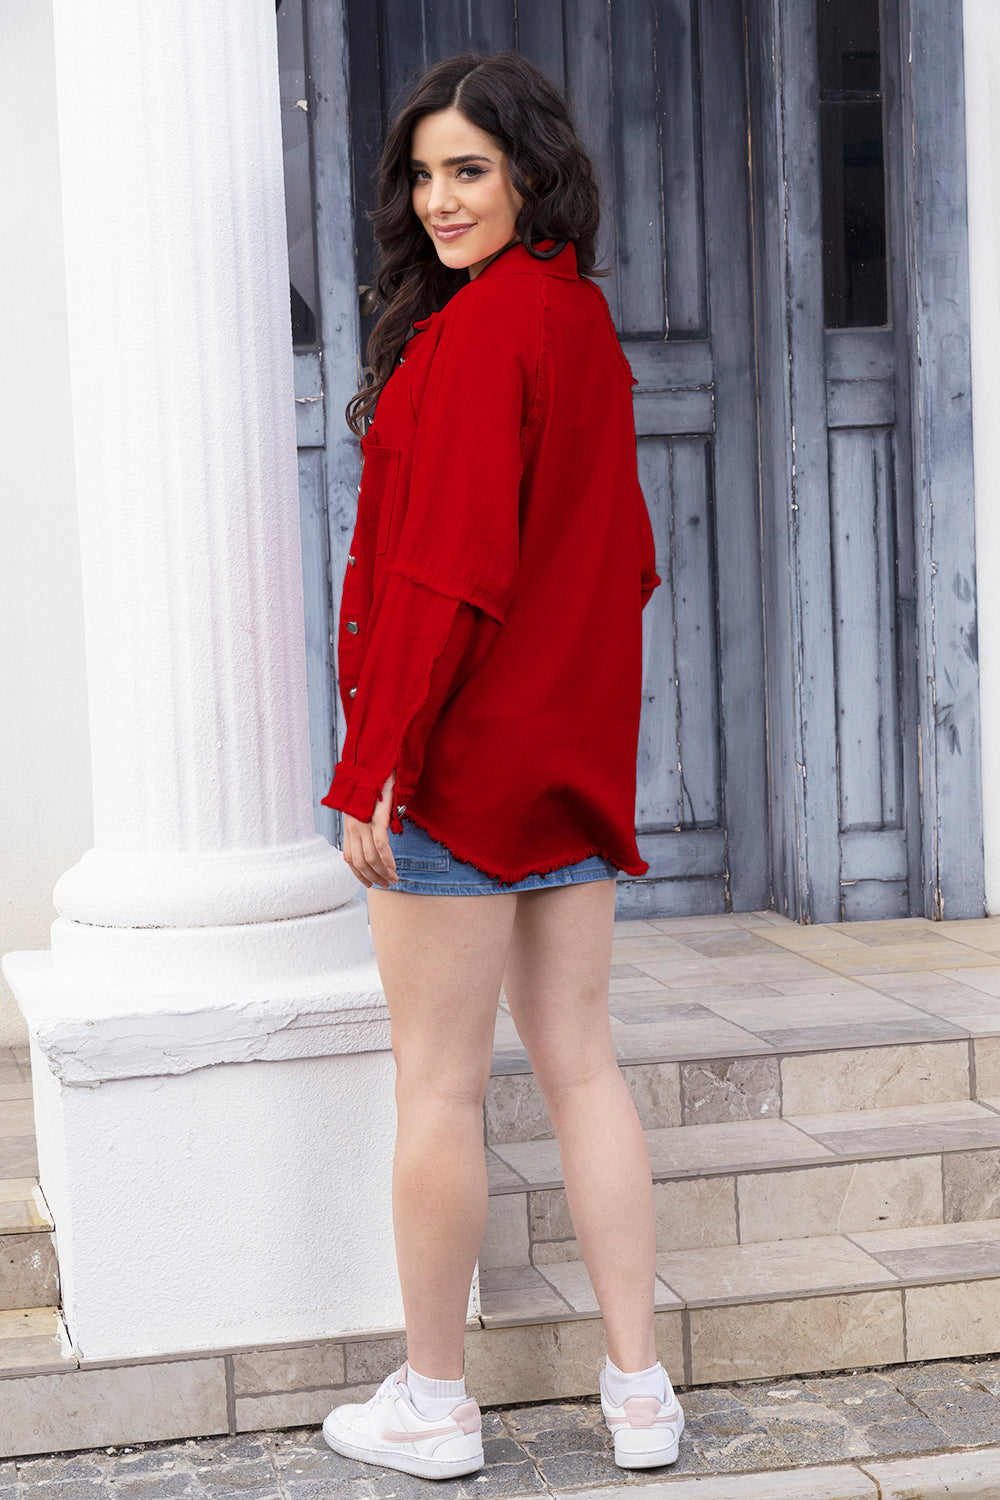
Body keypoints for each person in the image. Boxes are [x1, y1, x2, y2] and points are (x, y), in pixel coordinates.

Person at [318, 50, 683, 1480]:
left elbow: (444, 574)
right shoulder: (582, 324)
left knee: (441, 1090)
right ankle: (639, 1395)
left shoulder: (479, 338)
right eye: (424, 173)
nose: (441, 197)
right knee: (585, 1071)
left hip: (458, 774)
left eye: (468, 168)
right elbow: (625, 563)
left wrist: (375, 762)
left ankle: (432, 1402)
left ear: (530, 168)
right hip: (566, 769)